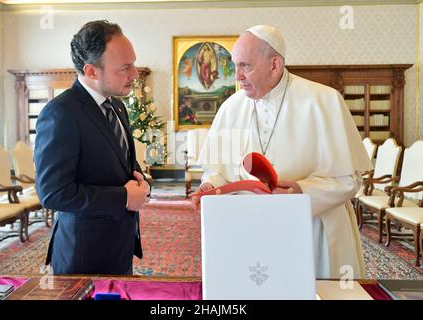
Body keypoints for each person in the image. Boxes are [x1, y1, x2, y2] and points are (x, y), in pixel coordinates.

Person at [194, 25, 372, 279]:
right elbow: (217, 171)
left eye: (245, 66)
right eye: (235, 66)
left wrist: (300, 190)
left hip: (311, 231)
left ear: (274, 65)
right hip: (248, 229)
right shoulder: (230, 108)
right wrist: (210, 185)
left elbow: (349, 181)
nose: (237, 77)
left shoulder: (323, 101)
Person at [34, 20, 151, 275]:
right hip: (83, 255)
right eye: (125, 68)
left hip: (119, 246)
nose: (134, 74)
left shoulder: (117, 105)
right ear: (92, 71)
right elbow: (53, 193)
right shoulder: (60, 114)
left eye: (134, 63)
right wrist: (124, 197)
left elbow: (123, 164)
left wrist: (142, 182)